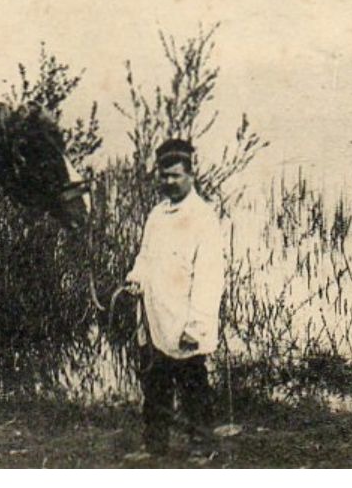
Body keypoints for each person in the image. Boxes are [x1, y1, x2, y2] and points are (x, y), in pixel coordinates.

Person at [123, 139, 225, 462]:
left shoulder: (203, 217)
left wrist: (196, 325)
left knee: (193, 386)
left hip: (184, 321)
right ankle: (154, 445)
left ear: (191, 175)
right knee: (155, 386)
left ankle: (203, 445)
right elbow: (145, 256)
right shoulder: (156, 214)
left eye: (176, 175)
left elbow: (210, 279)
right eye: (164, 175)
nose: (169, 181)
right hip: (154, 317)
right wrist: (135, 279)